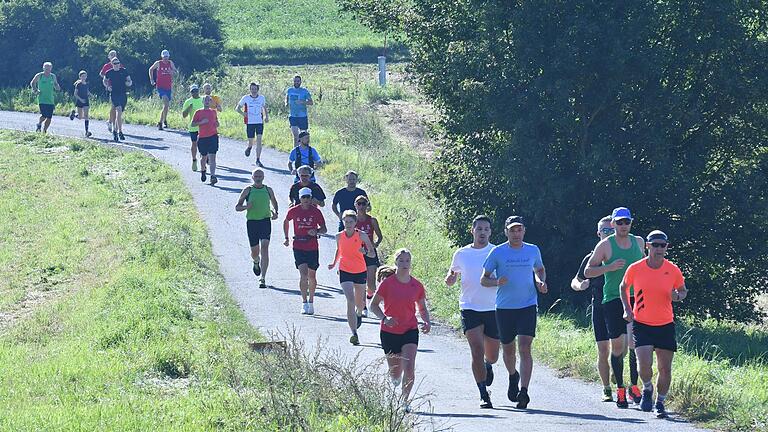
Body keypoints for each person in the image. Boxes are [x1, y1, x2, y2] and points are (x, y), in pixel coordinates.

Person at [481, 216, 547, 409]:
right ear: (506, 232)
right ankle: (512, 375)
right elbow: (483, 279)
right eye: (512, 230)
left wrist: (541, 280)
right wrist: (496, 282)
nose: (516, 234)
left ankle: (524, 392)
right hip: (504, 308)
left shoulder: (532, 250)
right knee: (508, 349)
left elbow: (540, 269)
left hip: (527, 305)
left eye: (519, 230)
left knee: (525, 347)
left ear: (524, 231)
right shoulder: (497, 252)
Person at [620, 230, 687, 419]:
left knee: (665, 368)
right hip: (642, 323)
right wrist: (627, 308)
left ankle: (660, 403)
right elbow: (623, 287)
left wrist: (678, 296)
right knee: (644, 364)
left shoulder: (672, 269)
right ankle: (647, 388)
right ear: (647, 246)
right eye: (655, 244)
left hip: (665, 324)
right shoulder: (636, 268)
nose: (659, 248)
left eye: (662, 245)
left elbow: (682, 290)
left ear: (667, 247)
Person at [585, 207, 646, 408]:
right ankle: (619, 388)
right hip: (612, 299)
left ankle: (634, 387)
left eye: (626, 222)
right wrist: (608, 268)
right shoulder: (605, 245)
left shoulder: (639, 242)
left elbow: (646, 266)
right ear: (613, 224)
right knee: (618, 346)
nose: (623, 226)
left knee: (635, 344)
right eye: (619, 222)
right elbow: (588, 271)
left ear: (631, 222)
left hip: (636, 298)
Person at [446, 215, 499, 408]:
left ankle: (488, 364)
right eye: (479, 229)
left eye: (486, 229)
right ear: (472, 231)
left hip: (493, 307)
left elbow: (503, 277)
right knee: (476, 350)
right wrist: (450, 279)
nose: (482, 232)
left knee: (492, 355)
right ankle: (484, 394)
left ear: (490, 232)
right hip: (469, 307)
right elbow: (453, 273)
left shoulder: (496, 252)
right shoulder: (462, 253)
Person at [369, 249, 431, 412]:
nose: (405, 264)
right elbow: (373, 306)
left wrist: (426, 321)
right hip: (389, 332)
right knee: (396, 374)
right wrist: (385, 319)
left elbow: (422, 308)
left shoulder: (416, 285)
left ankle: (404, 402)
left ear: (411, 263)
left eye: (407, 261)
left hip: (410, 330)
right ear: (396, 263)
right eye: (401, 261)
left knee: (409, 367)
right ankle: (396, 382)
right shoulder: (387, 284)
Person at [571, 215, 614, 402]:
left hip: (621, 306)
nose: (609, 233)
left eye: (611, 230)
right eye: (605, 230)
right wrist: (580, 286)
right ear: (598, 233)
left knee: (621, 349)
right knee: (603, 350)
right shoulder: (591, 257)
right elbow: (576, 280)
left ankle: (618, 375)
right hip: (599, 307)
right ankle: (606, 388)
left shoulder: (623, 254)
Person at [328, 210, 376, 345]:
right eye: (346, 221)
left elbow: (372, 254)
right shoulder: (339, 236)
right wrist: (333, 263)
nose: (348, 224)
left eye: (350, 222)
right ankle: (354, 333)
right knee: (350, 300)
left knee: (359, 303)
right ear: (342, 222)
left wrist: (365, 251)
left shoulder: (362, 235)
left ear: (355, 223)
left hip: (360, 271)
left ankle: (359, 313)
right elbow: (339, 250)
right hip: (345, 270)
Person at [283, 187, 327, 315]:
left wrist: (317, 231)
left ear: (311, 198)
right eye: (304, 197)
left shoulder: (316, 212)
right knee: (303, 275)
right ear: (300, 199)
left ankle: (311, 302)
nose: (306, 200)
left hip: (312, 245)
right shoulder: (294, 211)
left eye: (308, 197)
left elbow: (324, 228)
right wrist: (286, 237)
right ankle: (304, 302)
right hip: (298, 245)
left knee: (312, 276)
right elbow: (286, 221)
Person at [236, 168, 279, 289]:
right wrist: (246, 207)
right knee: (255, 252)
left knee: (265, 248)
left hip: (265, 221)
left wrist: (276, 212)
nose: (258, 178)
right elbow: (237, 207)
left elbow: (274, 202)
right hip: (252, 222)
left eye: (260, 176)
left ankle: (263, 278)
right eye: (256, 176)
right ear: (252, 178)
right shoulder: (248, 190)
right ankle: (256, 262)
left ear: (263, 177)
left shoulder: (268, 190)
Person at [353, 195, 383, 316]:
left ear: (367, 205)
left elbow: (380, 236)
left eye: (363, 204)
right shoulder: (352, 220)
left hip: (370, 253)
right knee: (360, 281)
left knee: (371, 284)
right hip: (357, 254)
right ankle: (363, 306)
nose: (361, 206)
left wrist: (375, 244)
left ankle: (370, 297)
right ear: (355, 205)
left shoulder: (372, 220)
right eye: (359, 204)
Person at [235, 82, 268, 166]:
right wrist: (243, 114)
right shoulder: (246, 98)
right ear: (250, 90)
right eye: (252, 89)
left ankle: (258, 159)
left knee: (259, 140)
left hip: (259, 122)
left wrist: (266, 116)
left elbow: (264, 107)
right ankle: (249, 147)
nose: (253, 91)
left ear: (258, 89)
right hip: (250, 122)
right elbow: (237, 108)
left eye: (255, 89)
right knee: (251, 141)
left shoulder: (261, 98)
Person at [191, 95, 220, 185]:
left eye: (209, 100)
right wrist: (201, 122)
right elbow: (192, 124)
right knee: (204, 157)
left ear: (211, 102)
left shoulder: (213, 112)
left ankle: (213, 176)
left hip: (213, 136)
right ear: (202, 102)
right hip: (203, 137)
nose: (207, 101)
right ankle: (203, 171)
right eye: (205, 100)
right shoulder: (198, 112)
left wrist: (217, 124)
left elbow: (217, 122)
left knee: (212, 157)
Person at [103, 58, 132, 142]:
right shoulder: (109, 72)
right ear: (112, 64)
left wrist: (129, 83)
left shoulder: (124, 71)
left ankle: (115, 131)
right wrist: (107, 87)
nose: (117, 64)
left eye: (118, 63)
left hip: (123, 94)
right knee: (118, 110)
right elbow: (104, 80)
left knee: (119, 114)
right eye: (115, 63)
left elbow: (129, 80)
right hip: (114, 94)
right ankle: (120, 131)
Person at [148, 49, 176, 130]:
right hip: (160, 86)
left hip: (168, 86)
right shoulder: (158, 63)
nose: (165, 59)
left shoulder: (170, 63)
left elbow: (175, 72)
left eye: (166, 57)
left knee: (166, 106)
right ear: (162, 57)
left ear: (168, 57)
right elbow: (150, 69)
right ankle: (160, 122)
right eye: (164, 57)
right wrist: (152, 80)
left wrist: (172, 72)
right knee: (166, 102)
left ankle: (164, 120)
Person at [29, 62, 61, 133]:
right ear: (43, 68)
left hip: (50, 100)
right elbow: (32, 83)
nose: (47, 70)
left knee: (49, 117)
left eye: (49, 69)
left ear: (51, 69)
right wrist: (35, 89)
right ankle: (39, 123)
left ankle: (44, 131)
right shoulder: (39, 75)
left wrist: (57, 87)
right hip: (42, 99)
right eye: (46, 69)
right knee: (44, 116)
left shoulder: (53, 76)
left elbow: (56, 84)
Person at [285, 75, 313, 145]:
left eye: (298, 81)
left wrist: (303, 102)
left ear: (300, 82)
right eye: (295, 81)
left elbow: (311, 102)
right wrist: (286, 103)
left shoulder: (304, 91)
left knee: (304, 137)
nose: (296, 82)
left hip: (302, 116)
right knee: (295, 136)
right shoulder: (289, 90)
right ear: (293, 81)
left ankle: (305, 152)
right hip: (293, 116)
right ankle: (296, 153)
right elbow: (287, 97)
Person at [182, 84, 204, 171]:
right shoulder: (188, 101)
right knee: (194, 144)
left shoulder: (203, 99)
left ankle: (203, 160)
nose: (194, 93)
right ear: (190, 92)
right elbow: (184, 115)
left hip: (203, 126)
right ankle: (194, 160)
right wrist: (189, 108)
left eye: (196, 91)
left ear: (198, 91)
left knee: (202, 144)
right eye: (192, 91)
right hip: (193, 127)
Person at [99, 50, 121, 132]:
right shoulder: (107, 66)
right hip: (111, 87)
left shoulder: (119, 64)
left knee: (117, 107)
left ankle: (111, 121)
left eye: (114, 54)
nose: (113, 56)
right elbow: (101, 74)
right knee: (113, 106)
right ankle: (112, 123)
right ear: (109, 57)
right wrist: (107, 79)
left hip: (119, 87)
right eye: (111, 55)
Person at [69, 70, 92, 137]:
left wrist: (90, 95)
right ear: (80, 77)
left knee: (86, 116)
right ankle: (74, 114)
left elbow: (87, 91)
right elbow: (75, 94)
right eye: (82, 76)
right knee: (80, 117)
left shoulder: (87, 84)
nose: (84, 77)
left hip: (86, 101)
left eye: (85, 76)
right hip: (79, 101)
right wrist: (81, 99)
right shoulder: (78, 84)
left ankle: (87, 131)